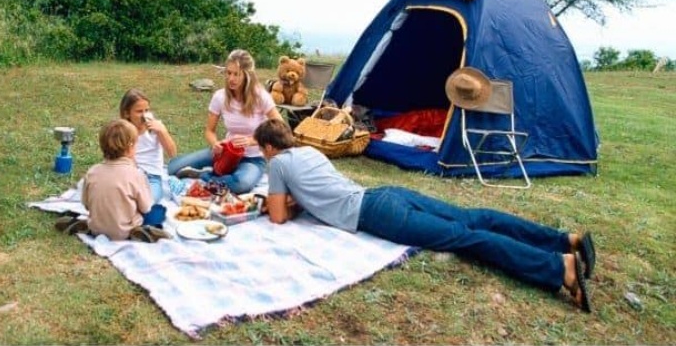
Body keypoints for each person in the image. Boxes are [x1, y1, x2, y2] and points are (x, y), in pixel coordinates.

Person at [253, 118, 597, 313]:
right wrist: (299, 200)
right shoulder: (309, 152)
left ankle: (559, 269)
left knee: (466, 238)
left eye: (261, 150)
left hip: (374, 212)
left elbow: (278, 217)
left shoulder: (278, 163)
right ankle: (565, 240)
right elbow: (318, 190)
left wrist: (278, 202)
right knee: (473, 218)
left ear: (269, 147)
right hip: (386, 194)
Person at [167, 49, 283, 194]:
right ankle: (219, 175)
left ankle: (204, 176)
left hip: (252, 158)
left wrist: (252, 141)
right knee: (172, 168)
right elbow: (209, 131)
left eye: (236, 74)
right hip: (225, 153)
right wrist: (215, 144)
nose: (231, 79)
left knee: (242, 184)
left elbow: (280, 128)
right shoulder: (220, 96)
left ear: (247, 75)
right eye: (228, 73)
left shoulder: (260, 96)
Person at [54, 119, 170, 243]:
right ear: (130, 147)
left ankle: (86, 225)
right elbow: (146, 208)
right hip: (124, 230)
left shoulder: (92, 171)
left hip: (96, 227)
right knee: (159, 211)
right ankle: (136, 231)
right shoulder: (136, 174)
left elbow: (86, 205)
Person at [119, 88, 177, 203]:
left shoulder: (155, 128)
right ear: (126, 113)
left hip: (151, 176)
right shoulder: (122, 130)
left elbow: (173, 153)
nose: (144, 115)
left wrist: (163, 131)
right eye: (139, 111)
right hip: (128, 173)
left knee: (147, 202)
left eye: (147, 110)